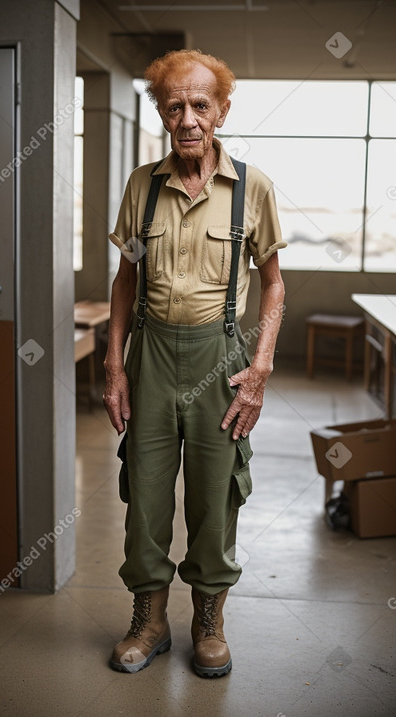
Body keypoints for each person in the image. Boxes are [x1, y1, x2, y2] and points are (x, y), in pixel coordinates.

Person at [103, 49, 286, 678]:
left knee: (216, 498)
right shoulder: (141, 185)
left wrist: (259, 367)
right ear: (161, 111)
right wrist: (114, 365)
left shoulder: (251, 188)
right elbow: (125, 278)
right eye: (174, 105)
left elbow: (274, 283)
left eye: (200, 105)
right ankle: (148, 620)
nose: (188, 118)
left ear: (222, 110)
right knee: (145, 496)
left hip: (221, 360)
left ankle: (208, 622)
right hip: (150, 358)